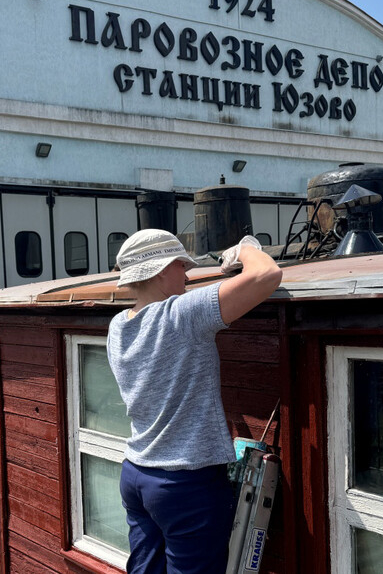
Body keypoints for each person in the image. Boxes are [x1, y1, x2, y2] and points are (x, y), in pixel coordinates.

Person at [106, 229, 282, 574]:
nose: (187, 275)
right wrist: (246, 248)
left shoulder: (117, 326)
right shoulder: (181, 314)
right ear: (158, 270)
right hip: (185, 485)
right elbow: (266, 275)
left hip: (137, 475)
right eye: (180, 265)